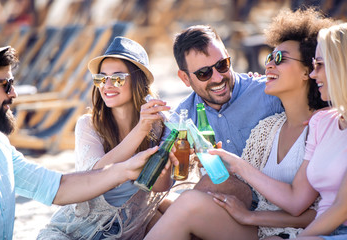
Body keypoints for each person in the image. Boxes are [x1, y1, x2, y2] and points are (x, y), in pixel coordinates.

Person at [145, 8, 334, 240]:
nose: (217, 77)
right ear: (185, 78)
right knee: (163, 207)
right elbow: (162, 183)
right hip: (237, 208)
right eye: (204, 73)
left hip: (266, 214)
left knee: (194, 197)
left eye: (222, 65)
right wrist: (167, 162)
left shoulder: (272, 95)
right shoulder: (183, 117)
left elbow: (316, 207)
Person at [0, 40, 173, 239]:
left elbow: (55, 188)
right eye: (101, 79)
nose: (14, 93)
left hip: (128, 225)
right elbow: (92, 177)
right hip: (83, 229)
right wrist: (137, 138)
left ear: (139, 81)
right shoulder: (90, 125)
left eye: (118, 78)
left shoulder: (0, 147)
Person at [291, 22, 347, 240]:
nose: (313, 74)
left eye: (321, 65)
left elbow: (342, 207)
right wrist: (238, 166)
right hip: (323, 230)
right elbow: (296, 200)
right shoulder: (323, 122)